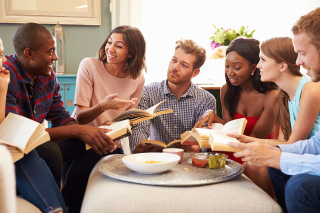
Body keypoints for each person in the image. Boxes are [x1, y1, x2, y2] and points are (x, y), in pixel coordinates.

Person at [3, 23, 129, 213]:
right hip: (19, 149)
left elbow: (60, 116)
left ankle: (70, 202)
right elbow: (15, 134)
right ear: (29, 53)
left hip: (37, 143)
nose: (55, 57)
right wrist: (77, 129)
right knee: (50, 150)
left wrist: (88, 131)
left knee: (98, 142)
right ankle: (58, 206)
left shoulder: (48, 76)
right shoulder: (6, 75)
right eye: (50, 51)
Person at [228, 7, 320, 213]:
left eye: (262, 60)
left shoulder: (311, 89)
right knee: (265, 164)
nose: (257, 66)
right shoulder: (283, 94)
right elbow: (309, 144)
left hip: (311, 167)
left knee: (296, 184)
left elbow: (294, 142)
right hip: (310, 155)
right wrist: (252, 143)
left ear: (282, 66)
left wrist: (274, 155)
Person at [194, 38, 278, 197]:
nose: (229, 72)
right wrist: (212, 116)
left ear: (254, 67)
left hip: (254, 153)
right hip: (232, 147)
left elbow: (253, 138)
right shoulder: (227, 90)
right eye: (227, 66)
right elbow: (230, 127)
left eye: (237, 67)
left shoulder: (271, 96)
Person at [1, 38, 67, 213]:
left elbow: (3, 127)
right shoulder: (10, 73)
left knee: (50, 152)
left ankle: (66, 207)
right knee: (25, 153)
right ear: (29, 53)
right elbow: (9, 130)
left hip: (17, 142)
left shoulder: (4, 77)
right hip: (13, 147)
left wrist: (2, 89)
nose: (4, 61)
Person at [129, 39, 216, 154]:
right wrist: (137, 146)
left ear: (195, 73)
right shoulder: (148, 92)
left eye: (184, 65)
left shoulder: (206, 99)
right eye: (174, 60)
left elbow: (206, 138)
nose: (175, 67)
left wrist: (199, 148)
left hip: (190, 163)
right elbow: (139, 127)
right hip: (157, 160)